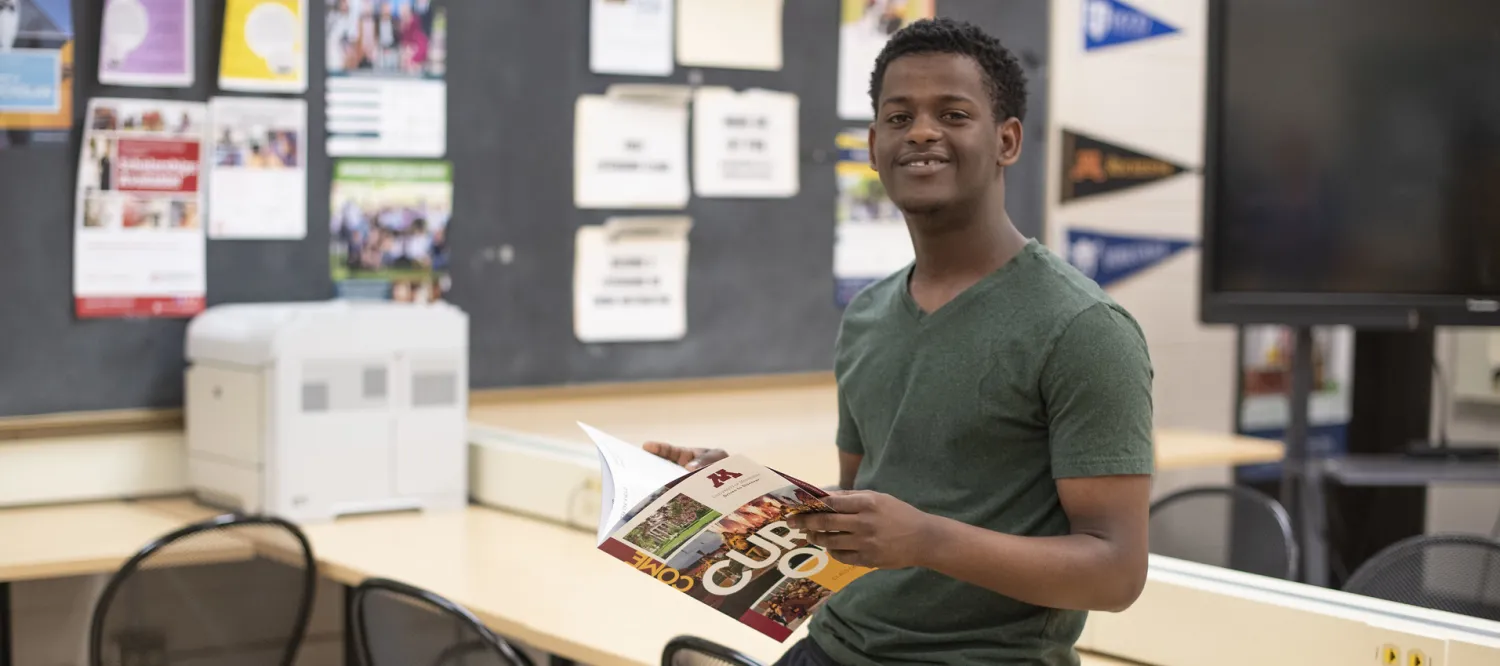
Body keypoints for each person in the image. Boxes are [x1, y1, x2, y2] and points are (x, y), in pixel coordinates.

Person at [643, 17, 1155, 666]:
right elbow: (854, 516)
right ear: (872, 142)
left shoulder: (1084, 329)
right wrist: (735, 498)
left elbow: (1116, 573)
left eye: (953, 113)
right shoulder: (867, 315)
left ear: (1007, 140)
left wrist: (926, 540)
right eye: (898, 116)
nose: (920, 131)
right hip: (832, 649)